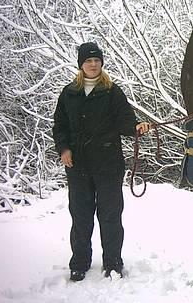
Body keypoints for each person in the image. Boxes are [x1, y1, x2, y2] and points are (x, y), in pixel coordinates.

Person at [53, 42, 150, 282]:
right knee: (81, 215)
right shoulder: (69, 93)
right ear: (81, 64)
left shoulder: (112, 91)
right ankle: (80, 263)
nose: (93, 64)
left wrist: (137, 127)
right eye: (88, 61)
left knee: (110, 215)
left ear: (101, 63)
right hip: (78, 166)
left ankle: (113, 263)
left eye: (97, 60)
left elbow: (125, 121)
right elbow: (60, 126)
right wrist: (63, 149)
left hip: (108, 164)